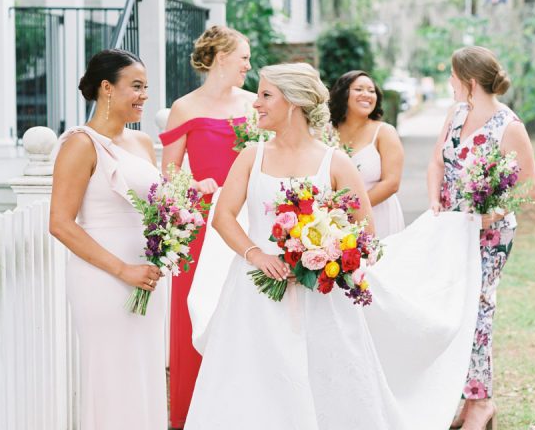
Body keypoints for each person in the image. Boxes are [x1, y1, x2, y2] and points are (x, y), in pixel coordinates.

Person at [184, 63, 485, 430]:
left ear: (292, 101)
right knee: (251, 381)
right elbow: (224, 217)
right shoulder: (252, 155)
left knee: (324, 379)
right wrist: (256, 254)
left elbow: (365, 232)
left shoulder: (335, 161)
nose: (256, 104)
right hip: (254, 295)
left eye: (265, 95)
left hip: (321, 296)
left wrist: (322, 257)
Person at [49, 49, 167, 429]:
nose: (144, 95)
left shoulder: (143, 143)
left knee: (145, 372)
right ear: (106, 88)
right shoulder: (79, 144)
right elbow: (61, 224)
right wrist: (122, 270)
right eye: (135, 86)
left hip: (147, 275)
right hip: (103, 278)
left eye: (145, 87)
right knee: (112, 376)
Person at [427, 46, 535, 430]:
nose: (450, 83)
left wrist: (489, 214)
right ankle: (465, 396)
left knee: (478, 310)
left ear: (469, 81)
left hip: (490, 235)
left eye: (453, 77)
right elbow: (437, 161)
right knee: (452, 311)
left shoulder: (509, 126)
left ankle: (480, 402)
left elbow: (529, 187)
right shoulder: (455, 114)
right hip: (449, 229)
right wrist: (434, 199)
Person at [159, 25, 254, 429]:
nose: (249, 65)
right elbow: (168, 175)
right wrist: (194, 186)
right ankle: (194, 414)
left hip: (248, 219)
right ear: (219, 58)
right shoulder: (184, 107)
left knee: (246, 311)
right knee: (197, 311)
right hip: (200, 225)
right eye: (243, 57)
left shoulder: (255, 104)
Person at [330, 70, 405, 239]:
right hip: (335, 222)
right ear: (343, 94)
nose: (366, 95)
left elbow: (391, 183)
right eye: (359, 89)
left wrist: (350, 210)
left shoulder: (384, 132)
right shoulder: (327, 132)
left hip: (378, 215)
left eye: (371, 91)